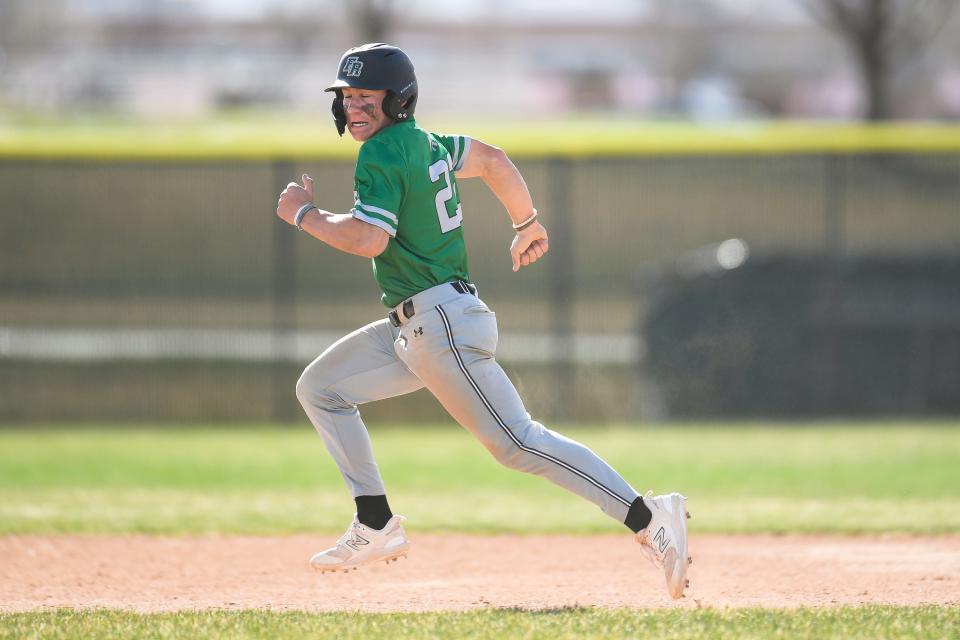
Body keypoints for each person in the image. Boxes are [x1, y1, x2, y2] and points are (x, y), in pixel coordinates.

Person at [275, 43, 691, 599]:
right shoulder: (429, 144)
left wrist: (304, 213)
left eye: (365, 96)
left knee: (518, 444)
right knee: (320, 388)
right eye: (347, 96)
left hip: (438, 324)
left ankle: (649, 518)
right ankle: (375, 520)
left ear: (397, 100)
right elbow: (493, 159)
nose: (353, 107)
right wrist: (528, 222)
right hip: (420, 325)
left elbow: (369, 237)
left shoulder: (381, 152)